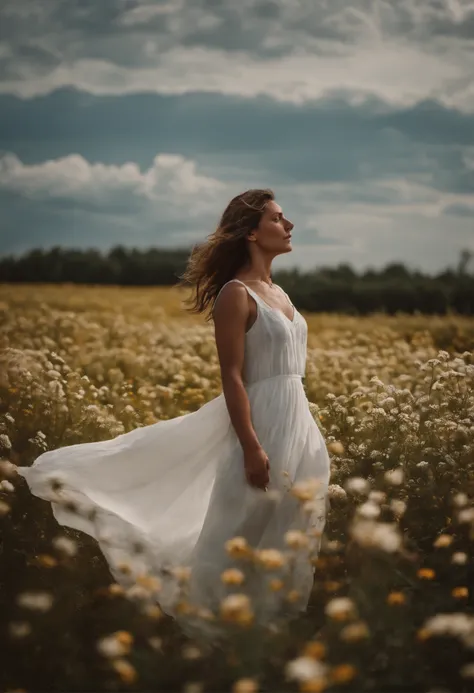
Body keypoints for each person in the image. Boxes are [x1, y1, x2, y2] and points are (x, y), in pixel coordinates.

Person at [16, 189, 331, 636]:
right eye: (279, 218)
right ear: (251, 232)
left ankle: (268, 633)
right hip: (261, 429)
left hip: (299, 424)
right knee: (236, 532)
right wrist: (251, 447)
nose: (289, 225)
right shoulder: (235, 294)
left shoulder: (280, 293)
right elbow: (234, 376)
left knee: (290, 530)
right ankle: (211, 633)